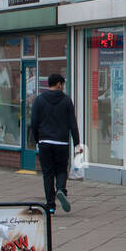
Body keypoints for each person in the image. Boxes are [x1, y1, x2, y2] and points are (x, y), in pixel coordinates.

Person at [30, 72, 85, 214]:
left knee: (47, 174)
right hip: (61, 143)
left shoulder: (39, 100)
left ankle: (50, 206)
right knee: (61, 170)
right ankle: (61, 189)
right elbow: (73, 124)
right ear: (59, 84)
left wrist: (37, 139)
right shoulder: (66, 100)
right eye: (62, 85)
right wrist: (77, 144)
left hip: (45, 142)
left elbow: (34, 123)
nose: (62, 87)